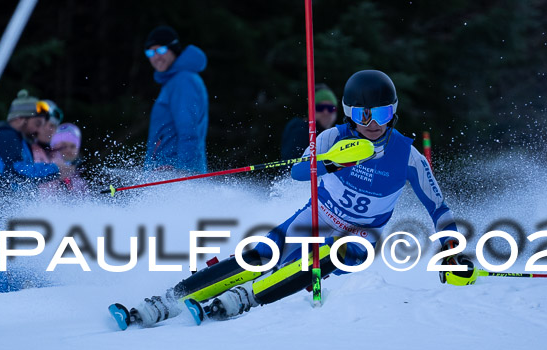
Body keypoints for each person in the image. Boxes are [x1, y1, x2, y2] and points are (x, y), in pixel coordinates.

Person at [110, 70, 477, 330]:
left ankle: (246, 298)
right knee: (262, 253)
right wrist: (329, 163)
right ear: (349, 112)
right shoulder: (334, 137)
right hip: (319, 215)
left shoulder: (407, 155)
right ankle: (164, 301)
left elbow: (439, 209)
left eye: (381, 112)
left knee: (337, 252)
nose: (372, 123)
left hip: (362, 234)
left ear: (392, 112)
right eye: (363, 113)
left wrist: (451, 250)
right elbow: (298, 172)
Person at [0, 89, 74, 292]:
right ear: (20, 119)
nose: (39, 128)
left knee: (21, 278)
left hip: (7, 216)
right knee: (4, 280)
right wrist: (54, 170)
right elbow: (13, 171)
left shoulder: (17, 141)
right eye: (37, 122)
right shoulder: (5, 137)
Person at [144, 25, 208, 173]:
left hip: (174, 172)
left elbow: (188, 130)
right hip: (164, 171)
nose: (155, 56)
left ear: (173, 49)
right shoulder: (174, 81)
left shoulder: (183, 81)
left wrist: (184, 171)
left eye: (160, 50)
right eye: (150, 52)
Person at [280, 84, 339, 160]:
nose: (326, 112)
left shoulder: (336, 134)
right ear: (311, 110)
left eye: (331, 108)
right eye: (320, 108)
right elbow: (290, 165)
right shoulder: (299, 130)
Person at [39, 123, 88, 196]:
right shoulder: (45, 167)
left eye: (73, 146)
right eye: (63, 146)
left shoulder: (77, 176)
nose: (68, 150)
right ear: (54, 147)